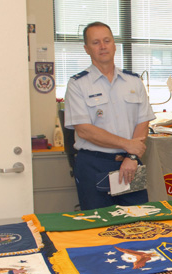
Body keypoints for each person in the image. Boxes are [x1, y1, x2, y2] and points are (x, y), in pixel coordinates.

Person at [65, 21, 155, 210]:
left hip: (130, 164)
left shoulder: (133, 81)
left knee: (139, 221)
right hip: (94, 164)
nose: (103, 46)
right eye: (96, 42)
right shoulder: (77, 84)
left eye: (107, 41)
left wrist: (131, 156)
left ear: (114, 45)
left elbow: (142, 121)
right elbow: (85, 131)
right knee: (98, 225)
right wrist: (128, 145)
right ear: (86, 49)